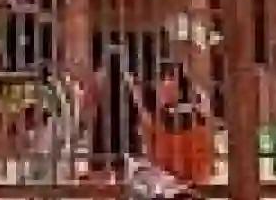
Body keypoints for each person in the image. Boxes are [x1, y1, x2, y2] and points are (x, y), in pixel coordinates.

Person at [144, 61, 213, 185]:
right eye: (162, 87)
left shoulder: (196, 118)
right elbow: (151, 159)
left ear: (181, 91)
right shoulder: (153, 120)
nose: (164, 92)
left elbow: (202, 165)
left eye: (170, 87)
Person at [89, 46, 145, 180]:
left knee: (102, 167)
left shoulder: (100, 78)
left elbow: (91, 103)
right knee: (121, 167)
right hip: (122, 126)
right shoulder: (127, 79)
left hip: (104, 125)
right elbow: (136, 105)